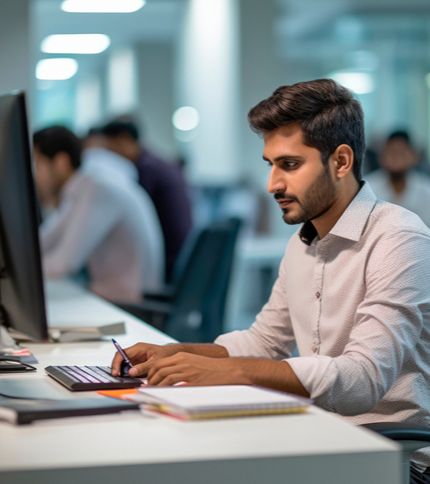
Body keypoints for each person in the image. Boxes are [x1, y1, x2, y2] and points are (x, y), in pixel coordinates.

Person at [111, 79, 430, 479]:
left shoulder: (399, 238)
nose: (273, 184)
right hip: (319, 438)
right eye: (271, 165)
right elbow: (264, 342)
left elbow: (362, 379)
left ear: (341, 161)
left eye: (290, 165)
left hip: (389, 458)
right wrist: (175, 356)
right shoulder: (303, 242)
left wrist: (231, 372)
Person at [34, 125, 164, 302]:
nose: (34, 175)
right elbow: (44, 240)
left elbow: (65, 263)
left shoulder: (98, 189)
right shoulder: (82, 188)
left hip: (130, 305)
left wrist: (14, 273)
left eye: (37, 164)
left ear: (61, 162)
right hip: (110, 297)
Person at [101, 119, 193, 281]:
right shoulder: (156, 162)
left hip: (168, 263)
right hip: (181, 258)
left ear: (124, 140)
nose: (110, 156)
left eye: (111, 148)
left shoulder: (145, 170)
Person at [366, 130, 430, 227]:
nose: (396, 158)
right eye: (392, 152)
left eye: (401, 153)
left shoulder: (426, 189)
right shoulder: (368, 187)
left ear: (414, 156)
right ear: (381, 157)